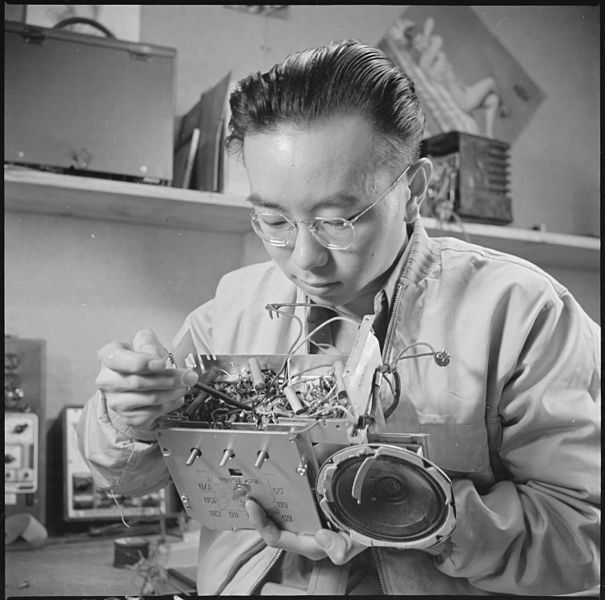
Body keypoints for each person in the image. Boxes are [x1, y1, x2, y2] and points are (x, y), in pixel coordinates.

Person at [77, 39, 600, 595]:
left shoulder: (522, 312)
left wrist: (417, 518)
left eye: (338, 220)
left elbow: (584, 536)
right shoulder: (233, 308)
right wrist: (127, 418)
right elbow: (128, 477)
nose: (303, 258)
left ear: (416, 191)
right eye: (273, 220)